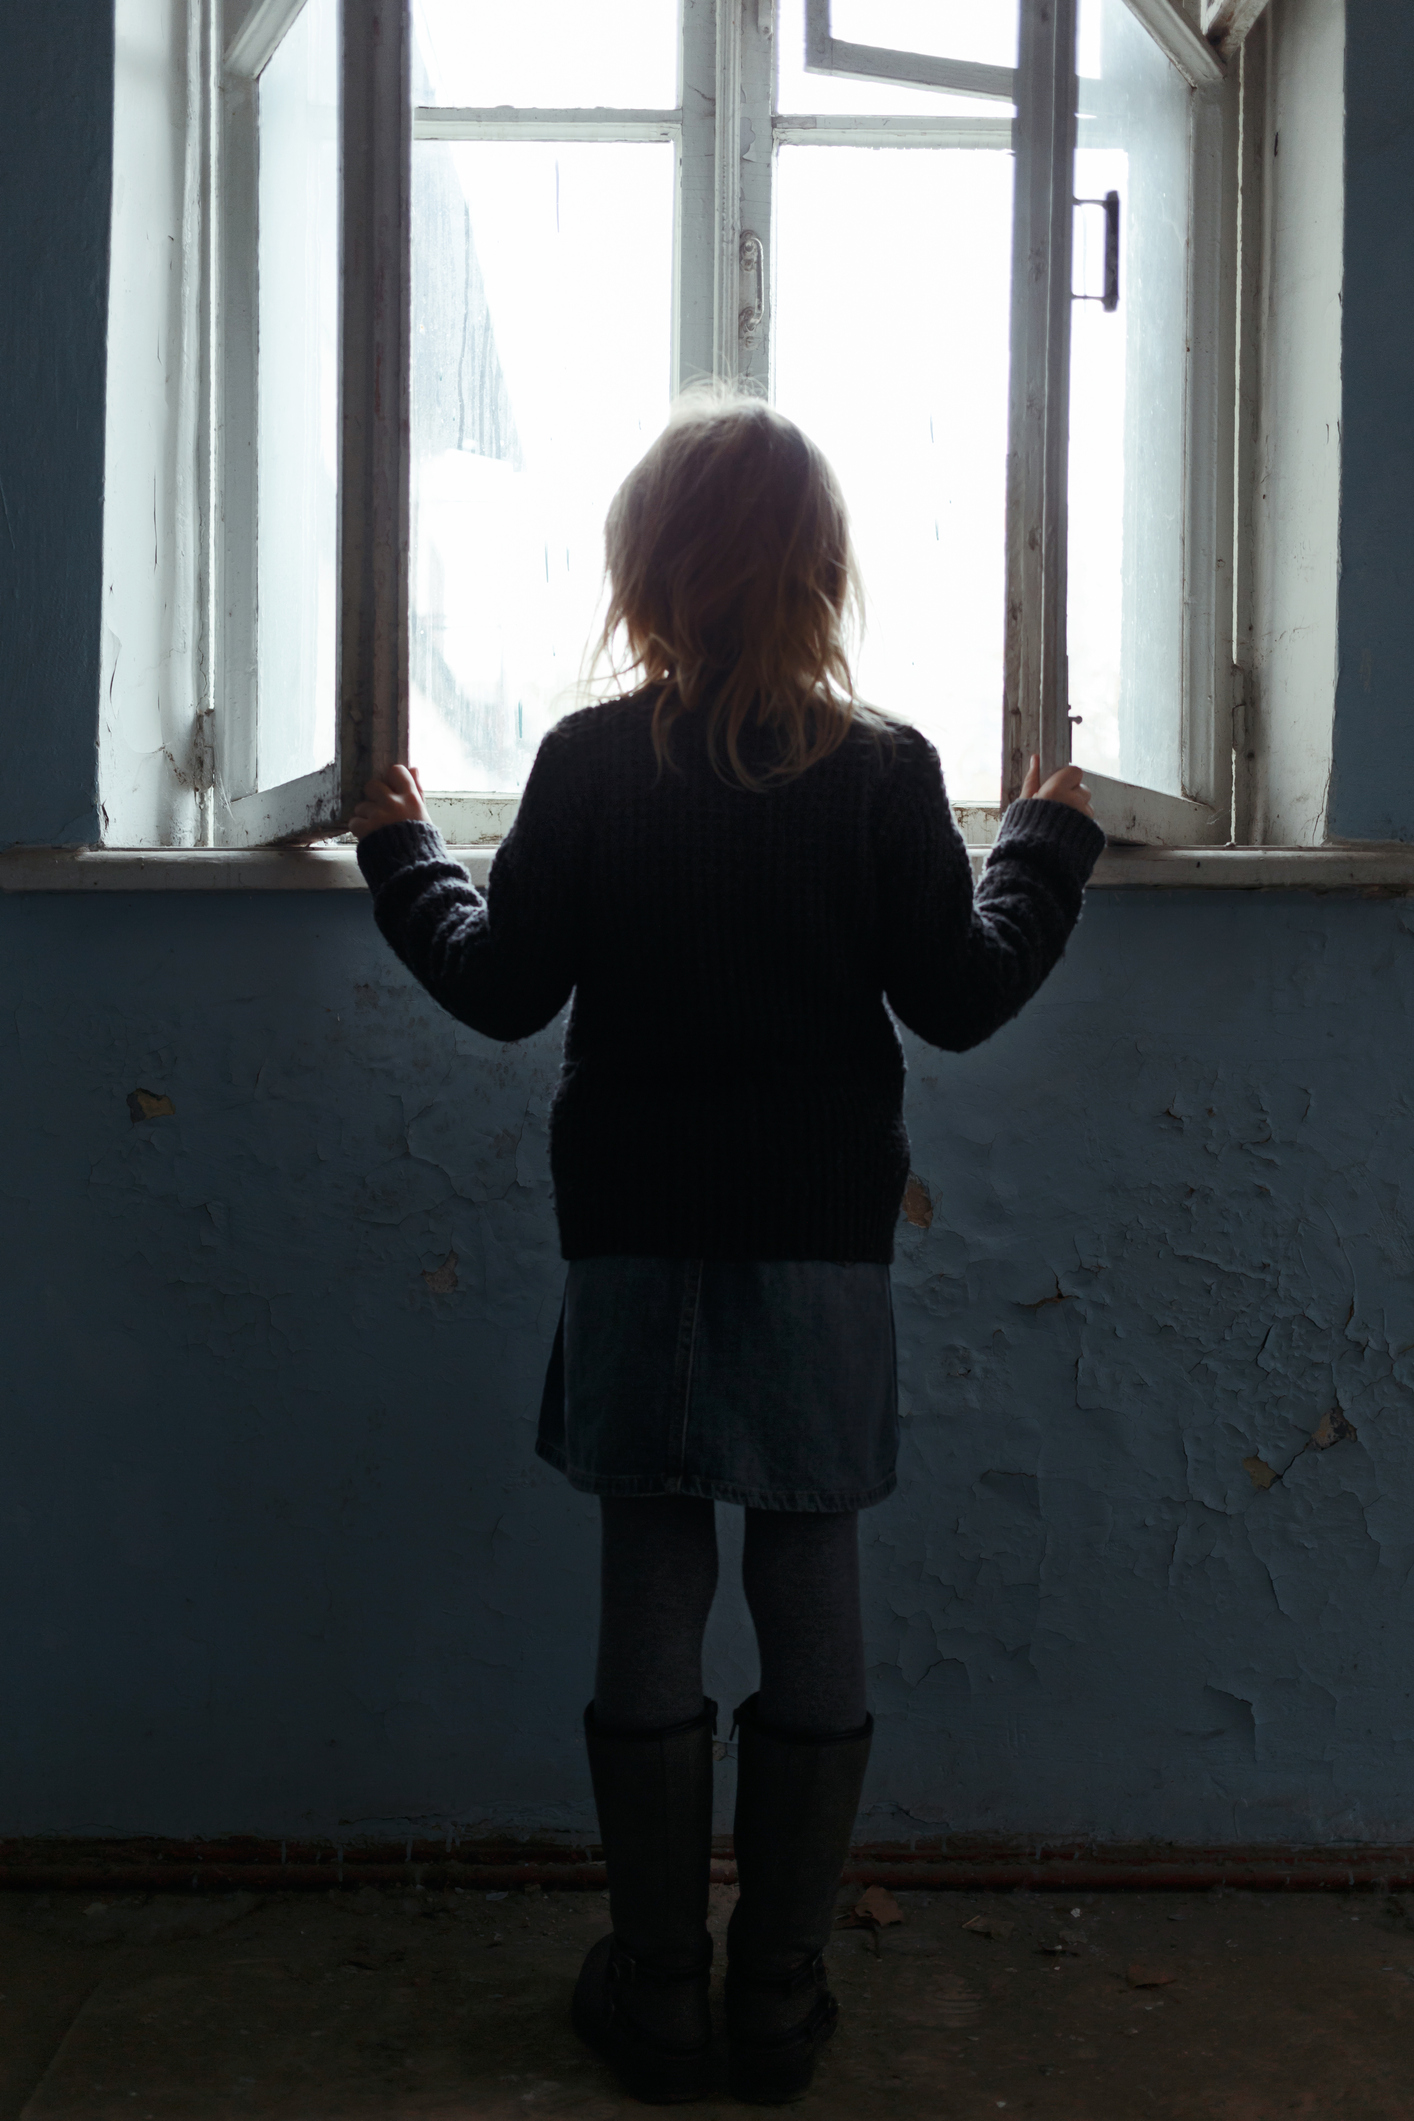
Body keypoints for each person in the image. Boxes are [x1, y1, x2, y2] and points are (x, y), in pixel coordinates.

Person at [351, 389, 1103, 2106]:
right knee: (806, 1565)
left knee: (652, 1569)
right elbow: (965, 995)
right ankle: (778, 1993)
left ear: (643, 577)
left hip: (632, 1235)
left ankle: (659, 1988)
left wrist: (403, 853)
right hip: (819, 1246)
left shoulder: (590, 761)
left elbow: (498, 983)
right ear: (820, 578)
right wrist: (1047, 841)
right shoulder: (889, 773)